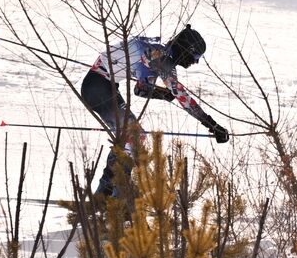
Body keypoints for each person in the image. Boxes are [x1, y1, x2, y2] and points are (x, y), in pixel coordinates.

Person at [79, 25, 229, 197]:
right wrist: (212, 125)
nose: (196, 62)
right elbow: (185, 99)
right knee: (134, 135)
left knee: (129, 136)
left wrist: (164, 94)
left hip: (103, 86)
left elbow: (140, 90)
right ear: (186, 50)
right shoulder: (161, 59)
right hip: (98, 88)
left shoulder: (158, 52)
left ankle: (105, 192)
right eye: (196, 57)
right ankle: (116, 195)